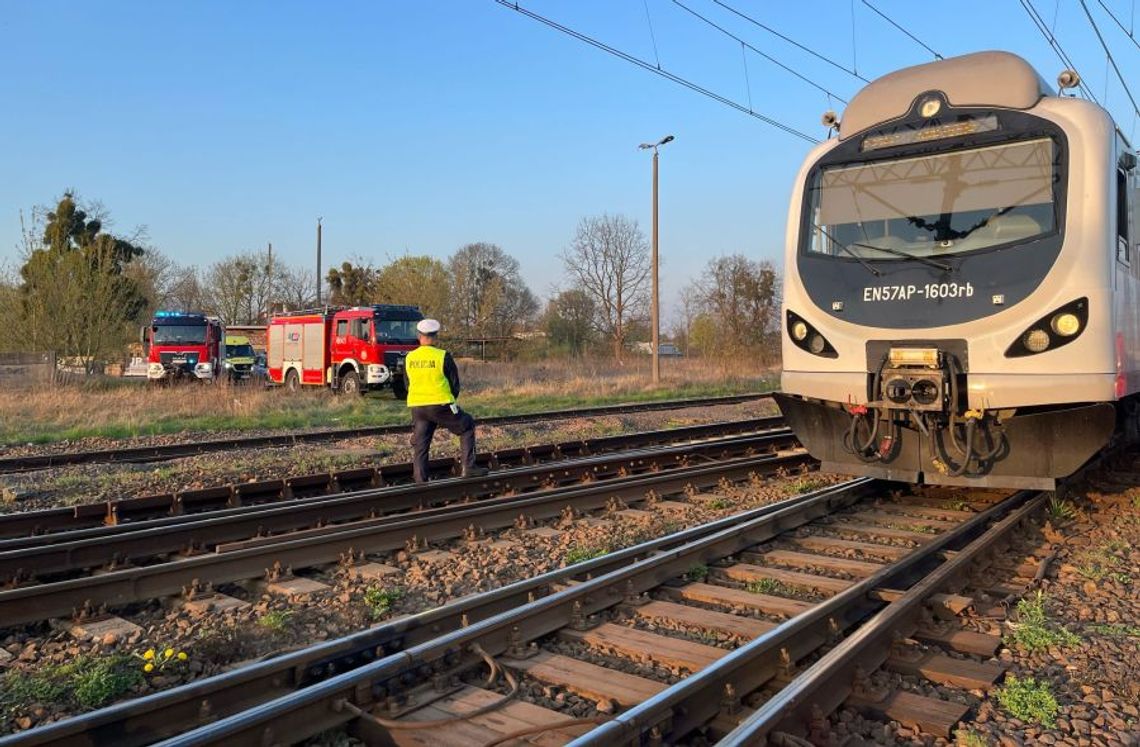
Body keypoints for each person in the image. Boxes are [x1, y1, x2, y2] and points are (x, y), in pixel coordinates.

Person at [404, 318, 488, 482]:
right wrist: (450, 401)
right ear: (435, 336)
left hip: (417, 407)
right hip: (441, 404)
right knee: (467, 425)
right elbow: (454, 384)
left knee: (421, 445)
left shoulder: (409, 358)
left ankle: (420, 480)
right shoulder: (443, 356)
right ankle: (468, 467)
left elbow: (407, 384)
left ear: (419, 336)